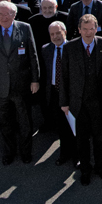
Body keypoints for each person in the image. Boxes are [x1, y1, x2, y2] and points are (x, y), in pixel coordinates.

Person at [0, 2, 40, 164]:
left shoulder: (25, 28)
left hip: (21, 85)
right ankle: (9, 152)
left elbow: (33, 56)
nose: (3, 17)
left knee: (24, 122)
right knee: (4, 122)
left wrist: (35, 80)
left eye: (7, 14)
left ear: (14, 15)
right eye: (0, 14)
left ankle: (26, 152)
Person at [61, 14, 102, 184]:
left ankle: (100, 166)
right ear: (79, 30)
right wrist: (64, 102)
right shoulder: (69, 48)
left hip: (99, 101)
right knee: (81, 138)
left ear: (96, 28)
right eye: (85, 29)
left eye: (92, 29)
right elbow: (64, 77)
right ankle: (85, 169)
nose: (89, 32)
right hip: (79, 101)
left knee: (99, 136)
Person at [40, 21, 76, 165]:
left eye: (58, 33)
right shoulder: (45, 49)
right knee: (61, 127)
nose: (55, 37)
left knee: (74, 127)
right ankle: (64, 154)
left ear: (65, 32)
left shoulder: (74, 48)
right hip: (55, 93)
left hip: (72, 93)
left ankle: (77, 156)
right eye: (52, 34)